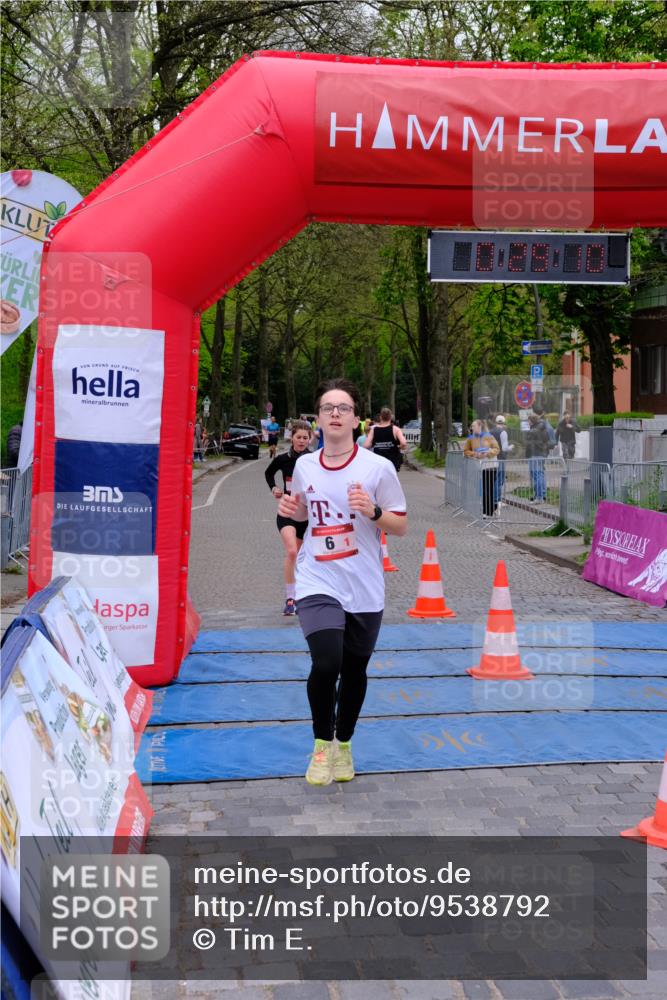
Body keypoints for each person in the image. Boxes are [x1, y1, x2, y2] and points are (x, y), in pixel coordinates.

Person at [278, 378, 407, 785]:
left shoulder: (378, 468)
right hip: (318, 577)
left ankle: (344, 744)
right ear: (317, 419)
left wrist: (372, 512)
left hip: (364, 583)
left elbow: (400, 525)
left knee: (354, 670)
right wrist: (288, 514)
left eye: (343, 408)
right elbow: (300, 517)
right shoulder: (304, 465)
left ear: (356, 420)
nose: (335, 413)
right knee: (327, 661)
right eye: (327, 407)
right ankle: (320, 744)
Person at [265, 420, 312, 616]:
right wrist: (275, 488)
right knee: (292, 552)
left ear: (310, 440)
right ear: (291, 437)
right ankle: (290, 599)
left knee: (302, 557)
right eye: (298, 437)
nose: (301, 441)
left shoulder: (314, 460)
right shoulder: (283, 459)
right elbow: (269, 473)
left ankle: (303, 595)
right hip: (287, 513)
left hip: (307, 516)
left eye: (305, 438)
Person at [463, 419, 499, 517]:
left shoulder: (489, 437)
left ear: (479, 426)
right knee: (484, 489)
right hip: (479, 466)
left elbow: (497, 449)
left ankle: (487, 511)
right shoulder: (471, 438)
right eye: (471, 426)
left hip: (491, 466)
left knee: (489, 488)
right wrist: (475, 454)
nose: (472, 428)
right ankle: (491, 508)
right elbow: (466, 451)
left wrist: (487, 453)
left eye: (473, 426)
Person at [363, 407, 408, 472]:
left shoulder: (373, 430)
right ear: (390, 417)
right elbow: (403, 443)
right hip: (392, 461)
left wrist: (374, 444)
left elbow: (366, 445)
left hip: (379, 461)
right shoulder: (396, 429)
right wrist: (399, 446)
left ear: (380, 417)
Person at [525, 413, 550, 502]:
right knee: (541, 475)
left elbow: (529, 444)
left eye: (528, 421)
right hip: (542, 454)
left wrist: (527, 455)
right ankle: (542, 495)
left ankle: (538, 497)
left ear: (532, 421)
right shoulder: (544, 428)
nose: (528, 422)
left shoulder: (533, 431)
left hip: (535, 454)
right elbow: (547, 441)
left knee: (536, 476)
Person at [489, 414, 514, 504]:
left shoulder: (490, 431)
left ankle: (491, 499)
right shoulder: (503, 432)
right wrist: (510, 447)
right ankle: (497, 500)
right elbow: (504, 448)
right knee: (499, 480)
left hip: (491, 459)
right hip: (500, 458)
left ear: (496, 422)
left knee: (492, 479)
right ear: (504, 423)